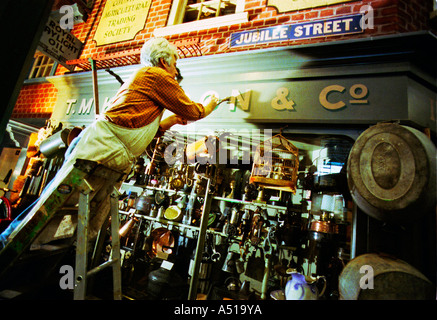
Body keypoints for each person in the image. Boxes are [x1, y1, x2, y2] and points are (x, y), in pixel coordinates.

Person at [0, 37, 219, 248]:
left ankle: (36, 246)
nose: (175, 71)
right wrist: (210, 104)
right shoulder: (154, 74)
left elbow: (140, 131)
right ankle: (6, 242)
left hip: (109, 154)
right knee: (50, 206)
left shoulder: (150, 86)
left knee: (77, 215)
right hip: (100, 149)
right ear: (163, 61)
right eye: (175, 63)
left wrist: (168, 122)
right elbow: (193, 111)